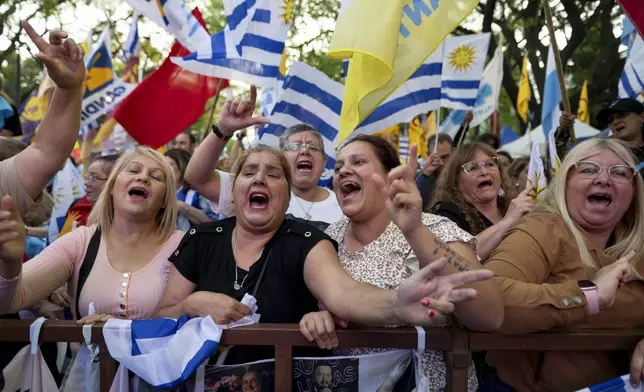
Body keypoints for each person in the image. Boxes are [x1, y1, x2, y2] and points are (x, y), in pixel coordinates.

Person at [157, 135, 492, 367]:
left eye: (274, 174)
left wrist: (398, 304)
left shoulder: (307, 241)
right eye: (248, 172)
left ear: (288, 197)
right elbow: (155, 317)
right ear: (235, 191)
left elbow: (346, 295)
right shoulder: (330, 235)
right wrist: (188, 306)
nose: (343, 170)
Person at [298, 136, 503, 391]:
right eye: (338, 167)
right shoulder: (326, 240)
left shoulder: (431, 227)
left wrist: (415, 230)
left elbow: (491, 316)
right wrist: (317, 317)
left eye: (358, 161)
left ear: (388, 177)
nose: (343, 171)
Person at [483, 137, 644, 392]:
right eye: (588, 169)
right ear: (564, 184)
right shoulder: (542, 229)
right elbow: (487, 297)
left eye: (620, 173)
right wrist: (588, 296)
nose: (603, 179)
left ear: (634, 190)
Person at [0, 147, 183, 323]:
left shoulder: (184, 245)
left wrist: (123, 329)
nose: (143, 177)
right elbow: (8, 302)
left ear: (165, 201)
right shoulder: (81, 241)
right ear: (111, 187)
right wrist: (10, 264)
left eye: (155, 176)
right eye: (133, 170)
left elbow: (198, 323)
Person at [185, 86, 343, 230]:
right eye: (295, 146)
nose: (305, 151)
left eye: (313, 147)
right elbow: (197, 178)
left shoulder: (345, 203)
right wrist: (223, 129)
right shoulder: (255, 188)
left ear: (324, 163)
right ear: (282, 159)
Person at [431, 143, 534, 261]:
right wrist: (507, 222)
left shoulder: (512, 206)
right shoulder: (446, 213)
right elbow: (454, 259)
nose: (484, 171)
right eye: (472, 168)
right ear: (456, 180)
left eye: (490, 164)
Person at [557, 99, 644, 173]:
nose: (615, 122)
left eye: (622, 115)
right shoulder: (600, 150)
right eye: (611, 119)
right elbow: (565, 167)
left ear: (642, 117)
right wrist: (563, 132)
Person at [57, 155, 119, 238]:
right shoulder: (77, 205)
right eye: (88, 177)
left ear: (113, 183)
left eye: (94, 177)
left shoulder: (121, 220)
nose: (86, 183)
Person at [165, 148, 218, 230]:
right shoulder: (160, 192)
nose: (164, 169)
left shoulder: (198, 192)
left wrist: (182, 206)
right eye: (162, 165)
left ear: (182, 167)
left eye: (169, 165)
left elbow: (214, 224)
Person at [415, 133, 453, 210]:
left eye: (445, 157)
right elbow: (414, 204)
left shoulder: (463, 177)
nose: (441, 163)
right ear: (428, 155)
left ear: (454, 152)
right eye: (436, 158)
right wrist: (425, 174)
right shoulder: (420, 179)